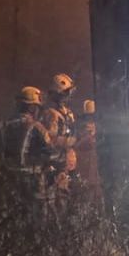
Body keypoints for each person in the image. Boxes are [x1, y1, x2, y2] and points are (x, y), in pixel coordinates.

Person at [37, 74, 78, 203]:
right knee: (59, 202)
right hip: (57, 166)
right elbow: (49, 140)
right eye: (67, 93)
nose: (69, 96)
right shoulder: (51, 114)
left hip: (67, 164)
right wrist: (68, 141)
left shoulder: (67, 112)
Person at [73, 98, 99, 201]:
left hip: (94, 169)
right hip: (85, 168)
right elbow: (79, 145)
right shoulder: (81, 129)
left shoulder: (96, 128)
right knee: (87, 196)